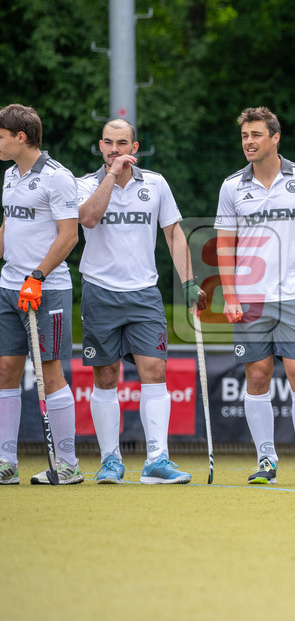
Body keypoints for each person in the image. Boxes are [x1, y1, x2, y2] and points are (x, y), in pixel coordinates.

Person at [77, 119, 208, 484]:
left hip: (144, 293)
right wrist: (111, 176)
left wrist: (188, 282)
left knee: (155, 371)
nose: (115, 149)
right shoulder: (85, 185)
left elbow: (174, 234)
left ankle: (156, 460)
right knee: (105, 376)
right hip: (100, 291)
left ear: (135, 148)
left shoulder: (156, 184)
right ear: (100, 146)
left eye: (122, 143)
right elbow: (87, 219)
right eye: (108, 142)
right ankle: (110, 461)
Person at [215, 106, 295, 486]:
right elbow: (223, 245)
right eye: (244, 136)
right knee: (257, 376)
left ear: (275, 138)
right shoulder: (231, 186)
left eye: (256, 135)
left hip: (294, 295)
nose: (249, 142)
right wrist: (230, 295)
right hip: (250, 299)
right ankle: (266, 460)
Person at [0, 104, 80, 485]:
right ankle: (6, 462)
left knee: (49, 374)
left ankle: (67, 464)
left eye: (0, 135)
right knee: (5, 371)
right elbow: (9, 225)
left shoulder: (58, 178)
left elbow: (69, 235)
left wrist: (37, 276)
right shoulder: (9, 175)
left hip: (45, 290)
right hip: (8, 288)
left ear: (21, 136)